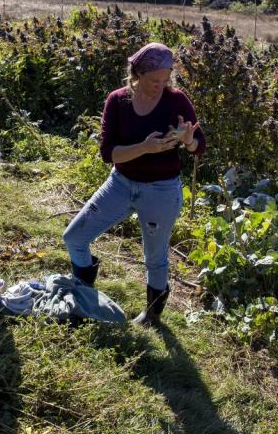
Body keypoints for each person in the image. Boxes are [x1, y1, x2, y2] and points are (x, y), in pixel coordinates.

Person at [62, 42, 206, 326]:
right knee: (74, 237)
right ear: (137, 73)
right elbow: (108, 153)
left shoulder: (177, 100)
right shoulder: (117, 101)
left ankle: (152, 316)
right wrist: (144, 148)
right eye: (154, 80)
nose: (160, 86)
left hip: (161, 190)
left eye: (166, 80)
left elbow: (199, 146)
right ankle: (86, 298)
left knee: (154, 257)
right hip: (121, 183)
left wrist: (187, 139)